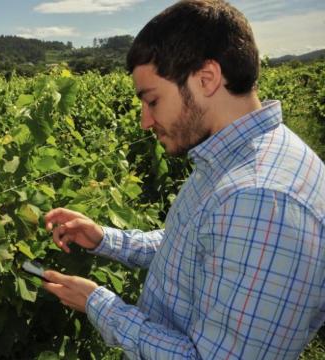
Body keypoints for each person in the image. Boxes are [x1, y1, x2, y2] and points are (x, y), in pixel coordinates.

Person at [41, 0, 325, 358]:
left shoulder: (260, 199)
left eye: (153, 100)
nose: (145, 121)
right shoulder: (232, 162)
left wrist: (99, 303)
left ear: (206, 79)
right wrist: (105, 240)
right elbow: (192, 247)